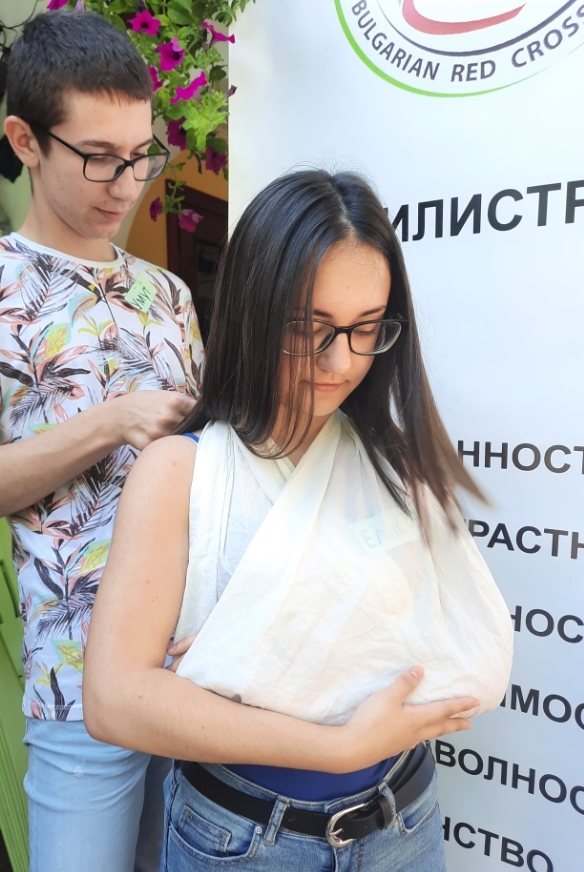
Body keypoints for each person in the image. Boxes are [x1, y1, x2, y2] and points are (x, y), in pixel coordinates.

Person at [82, 170, 513, 871]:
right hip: (246, 839)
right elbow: (115, 701)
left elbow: (450, 640)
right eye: (308, 327)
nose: (340, 361)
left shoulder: (393, 461)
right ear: (253, 310)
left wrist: (255, 652)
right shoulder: (182, 473)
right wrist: (336, 741)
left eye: (366, 328)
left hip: (404, 819)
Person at [0, 10, 202, 872]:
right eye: (98, 156)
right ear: (25, 140)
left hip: (196, 665)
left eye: (140, 155)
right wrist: (108, 422)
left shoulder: (169, 295)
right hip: (76, 680)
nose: (125, 183)